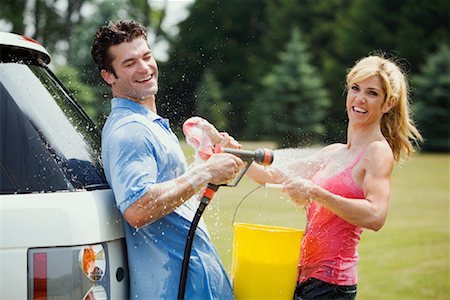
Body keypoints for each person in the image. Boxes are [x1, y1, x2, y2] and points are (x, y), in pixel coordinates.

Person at [246, 54, 422, 300]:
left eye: (372, 93)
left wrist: (315, 193)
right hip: (303, 276)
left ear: (388, 103)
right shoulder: (334, 152)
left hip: (332, 284)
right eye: (355, 88)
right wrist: (228, 150)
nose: (360, 98)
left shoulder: (377, 152)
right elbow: (271, 175)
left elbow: (375, 215)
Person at [91, 20, 244, 299]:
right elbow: (138, 208)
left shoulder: (147, 124)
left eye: (147, 56)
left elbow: (172, 207)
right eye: (129, 63)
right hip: (174, 288)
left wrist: (209, 162)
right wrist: (205, 172)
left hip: (194, 284)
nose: (144, 68)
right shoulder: (131, 131)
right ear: (108, 76)